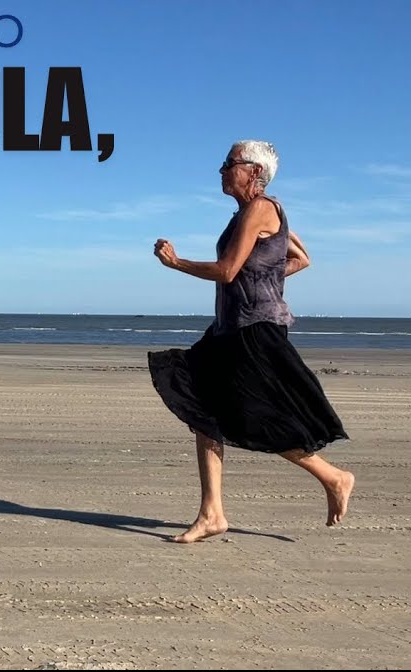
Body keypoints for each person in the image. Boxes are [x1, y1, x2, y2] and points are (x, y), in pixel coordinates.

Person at [148, 140, 354, 543]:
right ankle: (212, 513)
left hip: (255, 331)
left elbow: (227, 271)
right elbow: (299, 258)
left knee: (255, 418)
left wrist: (176, 263)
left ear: (254, 171)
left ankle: (334, 476)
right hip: (228, 330)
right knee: (202, 409)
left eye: (230, 163)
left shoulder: (262, 208)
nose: (222, 170)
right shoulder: (247, 213)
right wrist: (264, 274)